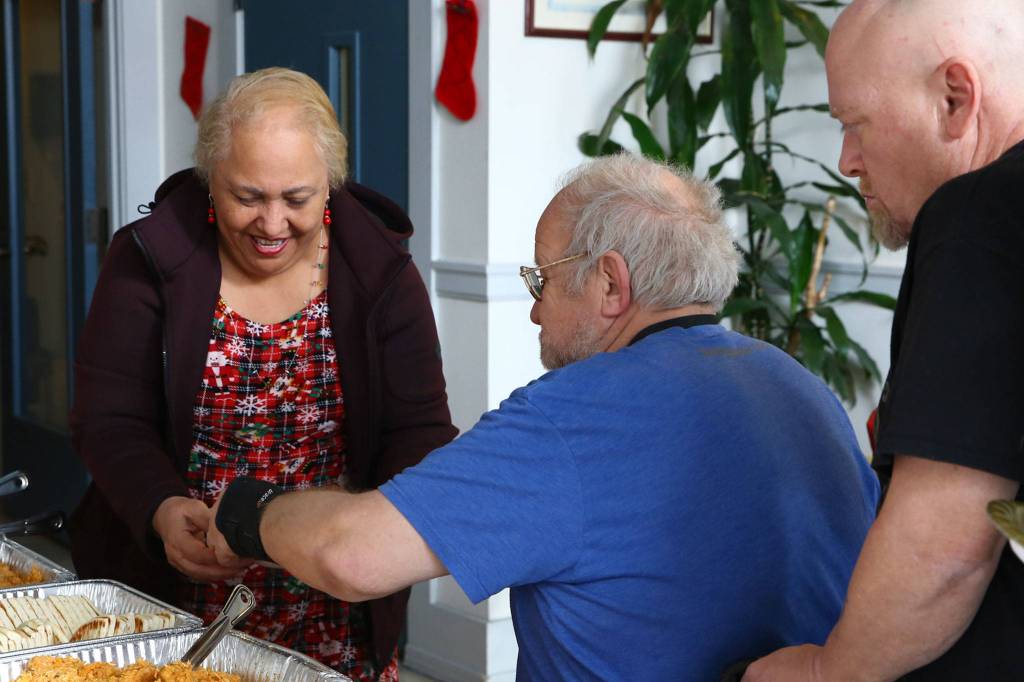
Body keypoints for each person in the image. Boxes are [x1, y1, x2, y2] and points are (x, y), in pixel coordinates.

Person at [207, 154, 880, 681]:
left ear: (611, 284)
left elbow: (349, 555)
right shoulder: (803, 387)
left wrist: (245, 510)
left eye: (544, 281)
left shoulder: (575, 415)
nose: (534, 310)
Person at [68, 67, 457, 680]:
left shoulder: (381, 273)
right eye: (247, 197)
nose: (272, 225)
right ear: (209, 182)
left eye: (297, 199)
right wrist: (163, 509)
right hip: (173, 590)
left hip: (331, 601)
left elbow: (420, 434)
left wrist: (358, 541)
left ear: (330, 184)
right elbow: (109, 420)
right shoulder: (147, 258)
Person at [744, 1, 1024, 680]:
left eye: (854, 124)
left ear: (955, 99)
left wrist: (823, 671)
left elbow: (947, 547)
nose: (847, 160)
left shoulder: (979, 215)